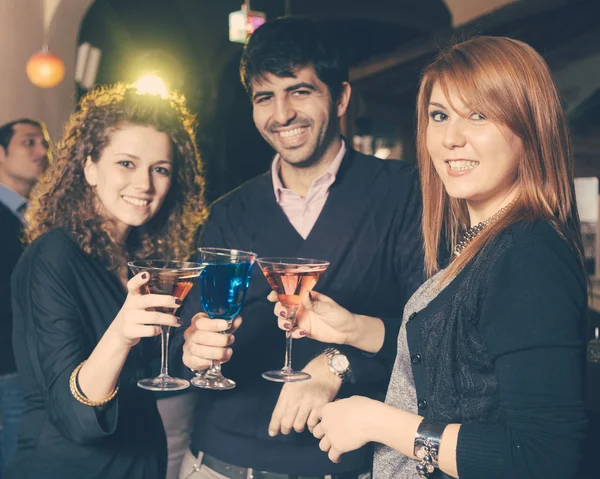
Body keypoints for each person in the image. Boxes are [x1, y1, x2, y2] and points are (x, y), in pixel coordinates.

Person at [271, 36, 588, 479]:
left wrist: (376, 421)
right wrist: (353, 329)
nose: (450, 138)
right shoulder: (484, 239)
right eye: (439, 116)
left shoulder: (528, 255)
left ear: (530, 128)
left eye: (478, 115)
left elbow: (543, 457)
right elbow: (461, 363)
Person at [175, 16, 424, 479]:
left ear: (342, 97)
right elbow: (190, 336)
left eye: (300, 91)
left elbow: (432, 334)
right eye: (264, 96)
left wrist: (337, 364)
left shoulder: (405, 193)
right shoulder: (226, 212)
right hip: (221, 460)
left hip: (348, 465)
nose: (282, 114)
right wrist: (194, 349)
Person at [6, 84, 207, 479]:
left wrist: (194, 349)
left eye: (160, 169)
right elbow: (75, 417)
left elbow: (154, 377)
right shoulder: (53, 255)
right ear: (89, 168)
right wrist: (120, 335)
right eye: (127, 163)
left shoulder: (142, 261)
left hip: (141, 465)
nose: (145, 184)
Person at [0, 118, 49, 477]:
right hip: (7, 372)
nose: (42, 152)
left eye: (44, 143)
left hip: (38, 368)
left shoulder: (37, 219)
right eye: (29, 143)